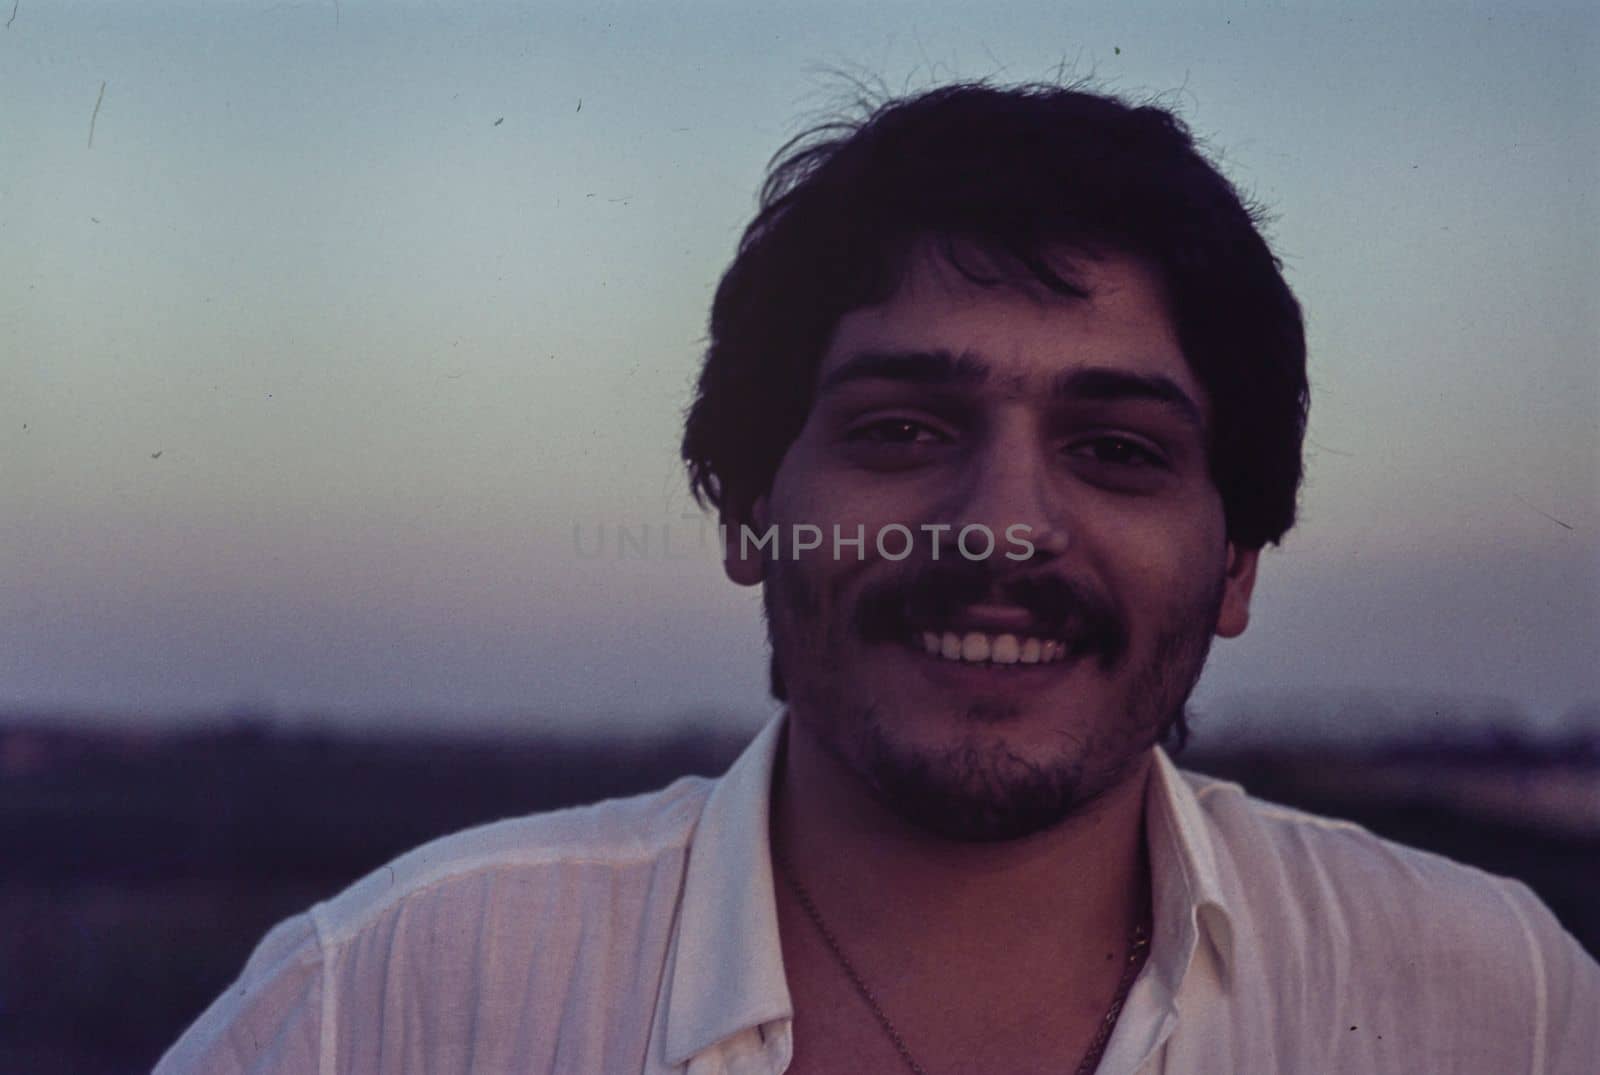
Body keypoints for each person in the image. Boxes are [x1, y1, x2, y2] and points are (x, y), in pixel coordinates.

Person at [156, 82, 1599, 1075]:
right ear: (746, 510)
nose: (1001, 529)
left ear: (1237, 563)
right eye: (902, 430)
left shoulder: (1498, 1002)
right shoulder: (385, 1004)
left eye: (1116, 447)